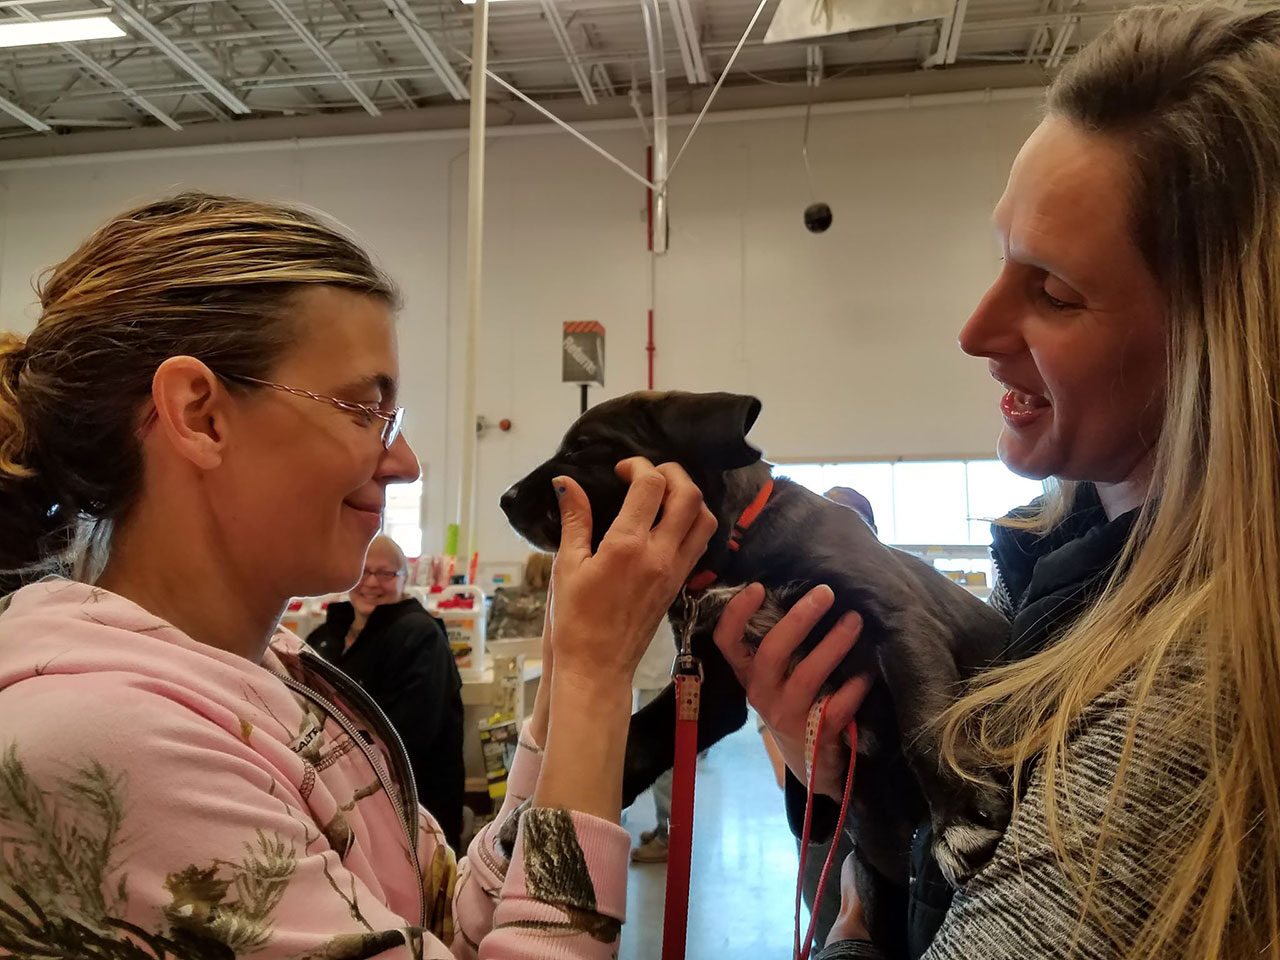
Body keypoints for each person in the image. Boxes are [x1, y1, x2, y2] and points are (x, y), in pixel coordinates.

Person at [0, 192, 718, 958]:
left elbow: (452, 921)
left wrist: (576, 665)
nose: (404, 463)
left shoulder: (279, 673)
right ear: (200, 413)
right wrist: (598, 681)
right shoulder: (112, 741)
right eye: (363, 410)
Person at [715, 5, 1280, 960]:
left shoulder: (1185, 706)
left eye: (1054, 291)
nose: (976, 330)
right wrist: (849, 778)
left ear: (1228, 343)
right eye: (1002, 258)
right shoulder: (1053, 578)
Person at [307, 535, 466, 851]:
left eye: (386, 573)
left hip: (408, 805)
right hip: (336, 800)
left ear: (405, 579)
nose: (371, 583)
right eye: (364, 571)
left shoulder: (420, 636)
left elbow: (408, 735)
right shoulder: (326, 635)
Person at [629, 616, 677, 863]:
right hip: (657, 673)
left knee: (663, 762)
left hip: (661, 675)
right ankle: (665, 829)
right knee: (662, 761)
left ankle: (669, 838)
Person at [487, 551, 552, 640]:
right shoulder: (554, 602)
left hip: (499, 651)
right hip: (538, 651)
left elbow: (488, 631)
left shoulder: (502, 596)